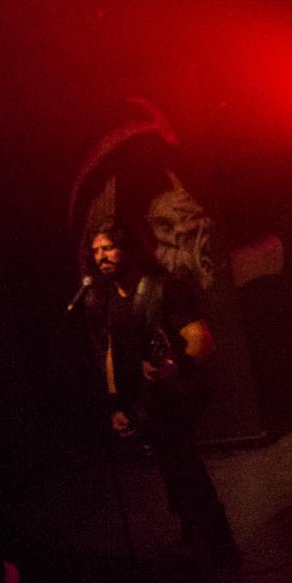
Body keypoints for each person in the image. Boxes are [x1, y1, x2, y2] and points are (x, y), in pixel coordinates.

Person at [81, 221, 239, 565]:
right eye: (95, 251)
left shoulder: (165, 289)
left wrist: (176, 366)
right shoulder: (107, 299)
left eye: (108, 248)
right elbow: (112, 353)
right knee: (175, 467)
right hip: (144, 402)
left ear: (129, 249)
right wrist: (116, 405)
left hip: (177, 393)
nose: (100, 257)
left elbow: (202, 340)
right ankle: (202, 539)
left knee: (181, 464)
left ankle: (217, 543)